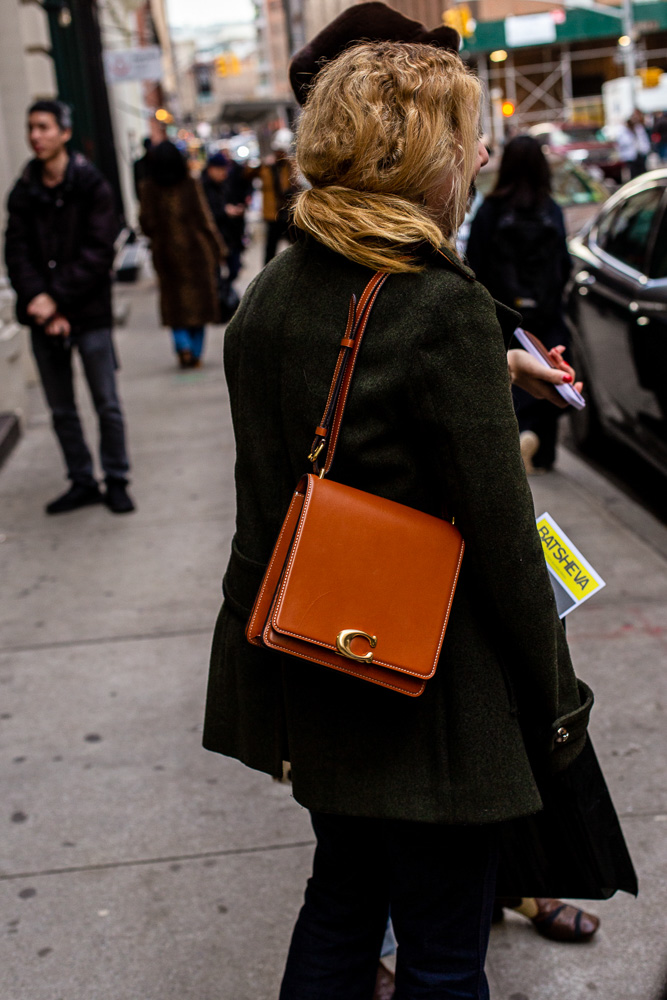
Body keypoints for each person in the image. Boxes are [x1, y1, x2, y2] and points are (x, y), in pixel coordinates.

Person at [203, 6, 611, 995]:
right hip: (430, 693)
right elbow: (508, 549)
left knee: (339, 905)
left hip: (313, 664)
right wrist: (559, 708)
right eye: (461, 136)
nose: (477, 154)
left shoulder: (270, 296)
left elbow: (265, 509)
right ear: (418, 155)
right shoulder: (442, 304)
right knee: (440, 949)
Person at [4, 99, 134, 515]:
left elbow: (98, 252)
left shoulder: (91, 184)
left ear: (64, 133)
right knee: (62, 409)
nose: (35, 136)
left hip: (88, 312)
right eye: (31, 128)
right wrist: (40, 303)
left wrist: (54, 298)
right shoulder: (24, 191)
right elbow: (16, 253)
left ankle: (116, 479)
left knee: (106, 404)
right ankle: (82, 480)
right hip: (44, 316)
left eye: (43, 127)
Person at [466, 135, 573, 474]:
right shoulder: (551, 209)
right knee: (551, 374)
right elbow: (565, 266)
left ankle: (519, 442)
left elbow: (475, 266)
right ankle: (545, 454)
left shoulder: (490, 210)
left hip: (507, 319)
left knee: (510, 383)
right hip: (547, 316)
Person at [138, 141, 226, 368]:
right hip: (196, 251)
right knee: (200, 304)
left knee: (174, 304)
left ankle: (182, 346)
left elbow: (145, 224)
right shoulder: (190, 184)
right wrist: (219, 248)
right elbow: (204, 218)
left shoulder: (148, 188)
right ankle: (195, 353)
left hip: (165, 254)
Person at [201, 151, 248, 283]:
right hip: (215, 237)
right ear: (211, 168)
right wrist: (225, 211)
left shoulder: (224, 184)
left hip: (229, 235)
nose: (224, 173)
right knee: (215, 275)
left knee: (234, 268)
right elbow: (205, 215)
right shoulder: (202, 187)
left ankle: (225, 292)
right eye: (221, 169)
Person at [260, 128, 298, 264]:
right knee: (270, 250)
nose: (280, 154)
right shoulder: (267, 167)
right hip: (273, 215)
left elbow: (296, 184)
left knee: (296, 247)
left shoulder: (290, 166)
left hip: (287, 214)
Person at [617, 110, 651, 180]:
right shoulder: (623, 130)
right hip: (630, 155)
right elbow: (622, 142)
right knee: (634, 173)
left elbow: (644, 139)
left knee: (643, 172)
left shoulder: (639, 128)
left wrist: (646, 149)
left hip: (640, 153)